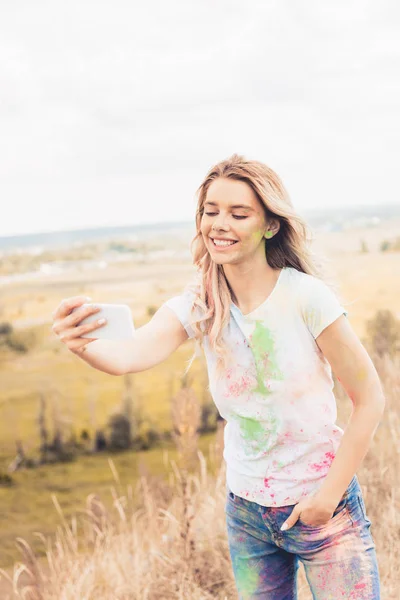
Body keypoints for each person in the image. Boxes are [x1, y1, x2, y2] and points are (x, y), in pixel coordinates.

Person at [52, 154, 385, 599]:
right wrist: (82, 345)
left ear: (270, 225)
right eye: (210, 211)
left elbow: (370, 397)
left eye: (238, 213)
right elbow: (130, 355)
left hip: (323, 510)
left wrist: (326, 499)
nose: (219, 223)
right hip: (247, 514)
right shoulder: (202, 301)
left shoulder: (306, 298)